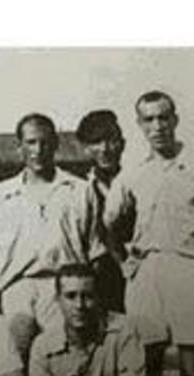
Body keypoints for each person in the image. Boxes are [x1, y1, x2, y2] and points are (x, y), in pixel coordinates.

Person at [104, 90, 194, 376]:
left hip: (190, 271)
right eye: (148, 120)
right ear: (139, 125)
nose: (157, 127)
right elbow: (110, 225)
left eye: (163, 118)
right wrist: (124, 260)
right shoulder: (133, 174)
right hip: (147, 277)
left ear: (175, 119)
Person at [0, 113, 106, 358]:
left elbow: (96, 253)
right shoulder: (1, 193)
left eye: (45, 142)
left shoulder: (79, 189)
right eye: (30, 142)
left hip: (64, 286)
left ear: (56, 145)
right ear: (19, 147)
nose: (38, 150)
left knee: (62, 356)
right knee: (15, 353)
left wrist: (94, 306)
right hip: (17, 287)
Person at [75, 109, 127, 312]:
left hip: (136, 270)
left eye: (111, 141)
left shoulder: (136, 180)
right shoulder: (78, 188)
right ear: (86, 148)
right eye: (96, 143)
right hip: (96, 275)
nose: (105, 149)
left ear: (122, 144)